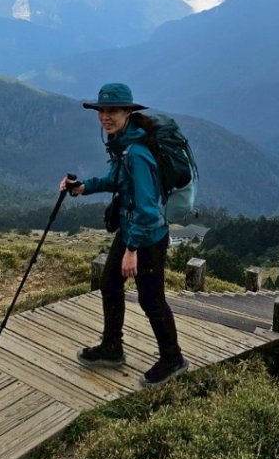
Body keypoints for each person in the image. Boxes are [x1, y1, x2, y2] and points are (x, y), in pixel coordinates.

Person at [60, 82, 188, 387]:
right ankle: (112, 347)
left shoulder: (137, 153)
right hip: (131, 230)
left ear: (128, 112)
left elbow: (148, 210)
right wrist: (82, 187)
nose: (105, 116)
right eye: (101, 110)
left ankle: (173, 359)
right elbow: (115, 179)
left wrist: (131, 249)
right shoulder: (124, 143)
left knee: (151, 299)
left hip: (147, 237)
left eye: (113, 110)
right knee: (110, 283)